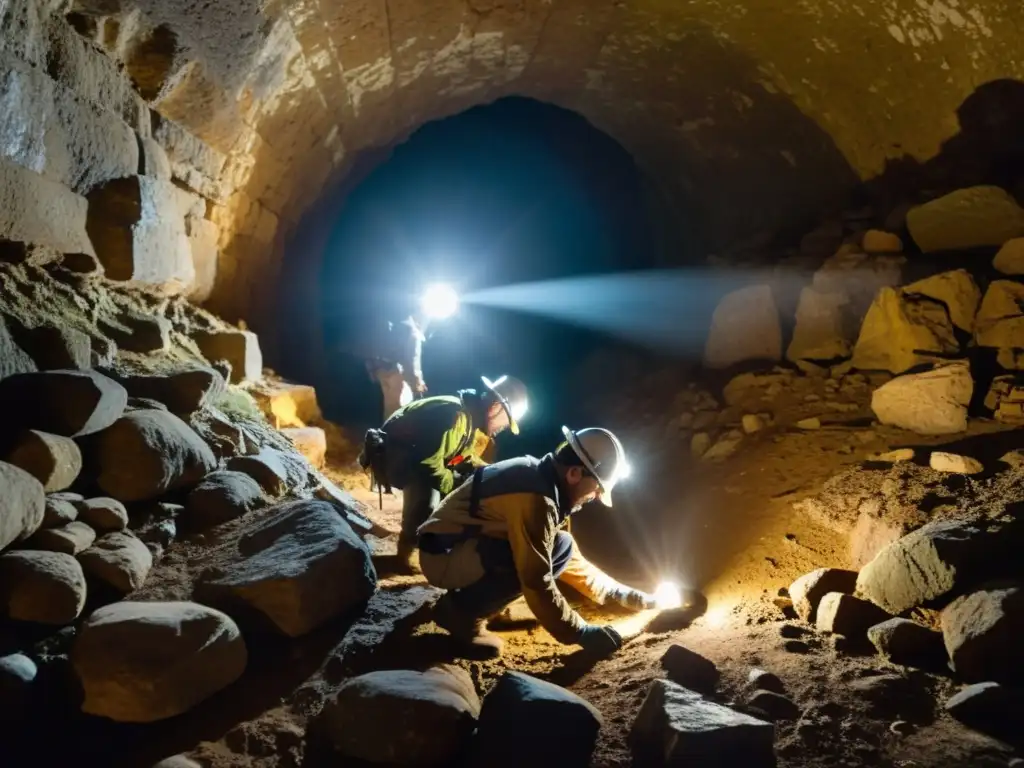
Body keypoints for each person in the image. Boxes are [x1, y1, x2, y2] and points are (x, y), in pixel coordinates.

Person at [416, 425, 659, 659]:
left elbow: (565, 555)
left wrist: (617, 592)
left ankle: (476, 602)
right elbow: (536, 578)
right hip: (443, 557)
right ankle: (460, 615)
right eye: (596, 488)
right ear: (574, 473)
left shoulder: (541, 479)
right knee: (523, 561)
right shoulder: (536, 498)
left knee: (560, 544)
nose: (595, 496)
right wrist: (578, 632)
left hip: (460, 547)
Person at [358, 375, 529, 572]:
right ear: (495, 407)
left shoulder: (469, 419)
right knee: (430, 498)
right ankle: (403, 555)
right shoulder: (454, 416)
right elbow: (429, 463)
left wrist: (487, 472)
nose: (503, 428)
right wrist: (455, 485)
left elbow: (462, 455)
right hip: (393, 458)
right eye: (506, 422)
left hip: (408, 455)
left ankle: (430, 541)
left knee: (456, 484)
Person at [365, 315, 427, 421]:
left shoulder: (393, 327)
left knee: (389, 407)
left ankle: (387, 433)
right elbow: (411, 359)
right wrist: (416, 384)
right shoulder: (411, 332)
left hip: (382, 371)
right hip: (397, 376)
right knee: (399, 410)